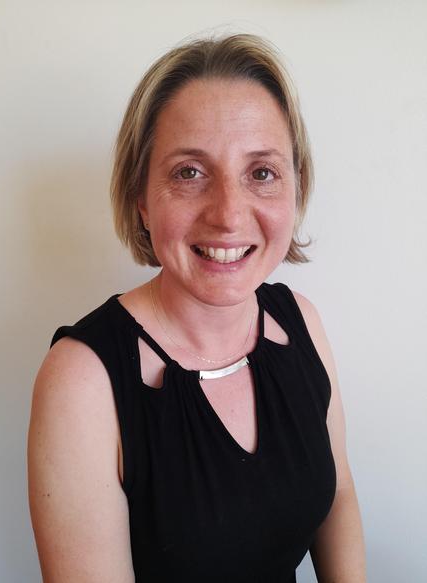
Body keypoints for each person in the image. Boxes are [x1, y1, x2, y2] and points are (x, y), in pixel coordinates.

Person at [28, 34, 366, 582]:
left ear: (295, 187)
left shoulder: (300, 322)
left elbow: (339, 495)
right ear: (140, 197)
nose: (229, 215)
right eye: (189, 172)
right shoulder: (82, 381)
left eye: (261, 173)